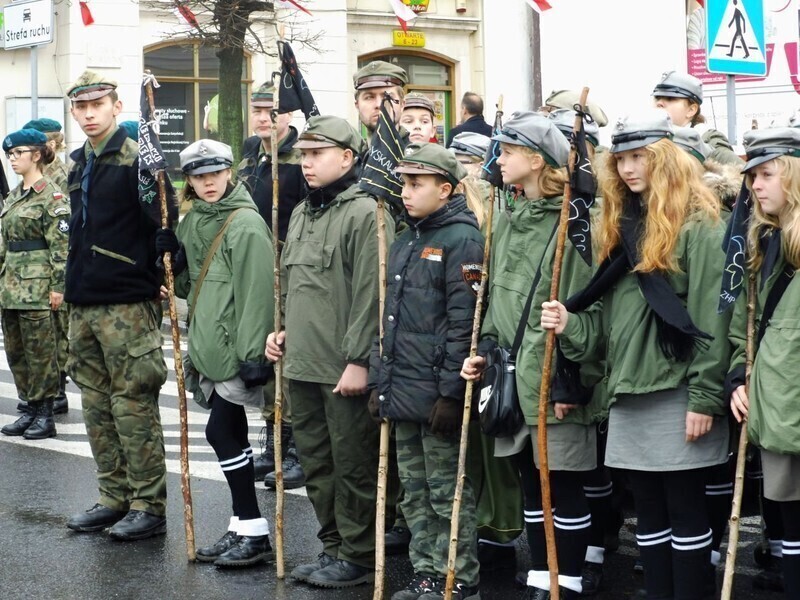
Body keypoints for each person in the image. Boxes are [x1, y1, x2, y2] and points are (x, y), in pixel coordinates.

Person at [541, 112, 732, 600]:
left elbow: (713, 319)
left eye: (638, 157)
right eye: (620, 159)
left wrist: (705, 397)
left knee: (685, 511)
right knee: (647, 514)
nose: (627, 168)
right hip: (629, 389)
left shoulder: (701, 225)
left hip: (679, 389)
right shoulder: (623, 227)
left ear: (664, 159)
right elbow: (609, 326)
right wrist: (569, 324)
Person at [460, 112, 597, 599]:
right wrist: (485, 351)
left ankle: (568, 581)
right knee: (530, 481)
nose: (498, 159)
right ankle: (542, 575)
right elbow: (498, 300)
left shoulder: (575, 223)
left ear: (536, 160)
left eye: (508, 151)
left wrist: (570, 378)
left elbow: (590, 312)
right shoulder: (508, 218)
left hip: (554, 381)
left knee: (561, 485)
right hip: (513, 378)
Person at [266, 115, 393, 588]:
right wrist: (279, 330)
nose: (307, 163)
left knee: (353, 463)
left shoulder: (367, 212)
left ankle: (358, 555)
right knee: (317, 464)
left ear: (346, 157)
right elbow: (293, 281)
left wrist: (360, 360)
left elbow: (373, 294)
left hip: (342, 366)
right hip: (302, 362)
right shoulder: (303, 211)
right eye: (303, 154)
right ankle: (334, 546)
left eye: (317, 154)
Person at [368, 143, 484, 600]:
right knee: (414, 490)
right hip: (403, 387)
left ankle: (458, 576)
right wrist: (380, 381)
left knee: (444, 488)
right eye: (404, 183)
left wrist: (452, 393)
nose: (406, 192)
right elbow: (389, 318)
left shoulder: (462, 239)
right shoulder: (406, 238)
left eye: (417, 185)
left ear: (446, 189)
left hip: (437, 392)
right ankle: (427, 571)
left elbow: (464, 323)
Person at [155, 138, 275, 567]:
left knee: (219, 433)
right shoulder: (192, 221)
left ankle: (255, 529)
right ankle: (242, 525)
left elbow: (258, 293)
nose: (208, 182)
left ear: (229, 173)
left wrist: (254, 354)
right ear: (189, 180)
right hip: (208, 342)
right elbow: (192, 289)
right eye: (199, 176)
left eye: (215, 173)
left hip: (236, 347)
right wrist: (173, 263)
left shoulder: (246, 224)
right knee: (232, 433)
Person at [63, 70, 169, 541]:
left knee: (133, 404)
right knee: (95, 406)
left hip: (126, 302)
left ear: (116, 107)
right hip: (84, 301)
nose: (89, 114)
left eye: (97, 105)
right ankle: (113, 496)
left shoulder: (137, 160)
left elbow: (163, 220)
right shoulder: (78, 163)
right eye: (81, 107)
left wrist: (161, 267)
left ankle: (148, 503)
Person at [728, 127, 800, 600]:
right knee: (791, 525)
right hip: (777, 410)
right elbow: (745, 327)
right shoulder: (761, 243)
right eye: (752, 176)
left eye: (767, 174)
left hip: (787, 403)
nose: (755, 185)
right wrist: (739, 376)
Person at [236, 81, 306, 488]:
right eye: (258, 110)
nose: (264, 118)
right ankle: (274, 441)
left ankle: (297, 449)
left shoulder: (301, 155)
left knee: (288, 356)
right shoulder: (251, 154)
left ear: (288, 114)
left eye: (271, 111)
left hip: (290, 269)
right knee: (265, 358)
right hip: (256, 268)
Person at [0, 128, 70, 439]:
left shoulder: (52, 196)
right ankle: (29, 408)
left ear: (37, 155)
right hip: (11, 286)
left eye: (18, 153)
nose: (13, 159)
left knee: (41, 352)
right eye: (9, 154)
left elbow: (61, 247)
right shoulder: (15, 195)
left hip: (38, 287)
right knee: (17, 352)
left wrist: (58, 287)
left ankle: (45, 414)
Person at [21, 117, 71, 416]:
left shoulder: (60, 176)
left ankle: (58, 391)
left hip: (56, 263)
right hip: (34, 269)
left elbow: (63, 226)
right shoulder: (33, 176)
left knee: (57, 331)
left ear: (51, 143)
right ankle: (45, 392)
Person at [652, 71, 743, 166]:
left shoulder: (707, 140)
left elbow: (741, 171)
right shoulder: (647, 138)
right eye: (657, 98)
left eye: (670, 98)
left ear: (691, 110)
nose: (659, 103)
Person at [353, 60, 408, 140]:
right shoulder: (349, 148)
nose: (378, 104)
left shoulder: (420, 148)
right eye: (369, 97)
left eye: (387, 96)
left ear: (402, 104)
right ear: (357, 105)